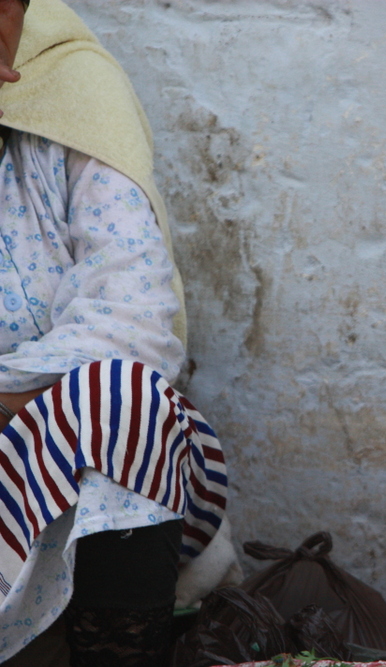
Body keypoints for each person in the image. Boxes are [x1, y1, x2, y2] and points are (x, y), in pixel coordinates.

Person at [0, 0, 227, 665]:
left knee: (122, 399)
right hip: (36, 427)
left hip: (52, 465)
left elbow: (135, 325)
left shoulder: (68, 92)